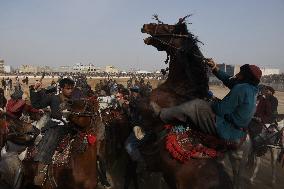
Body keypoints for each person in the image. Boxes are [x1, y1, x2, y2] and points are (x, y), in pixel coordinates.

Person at [153, 59, 262, 143]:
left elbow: (220, 110)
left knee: (196, 105)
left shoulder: (241, 88)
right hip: (240, 131)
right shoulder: (251, 89)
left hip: (227, 129)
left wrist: (211, 102)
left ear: (246, 77)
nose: (237, 75)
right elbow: (228, 79)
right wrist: (215, 68)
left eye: (240, 73)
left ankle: (161, 114)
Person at [30, 78, 75, 185]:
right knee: (50, 140)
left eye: (72, 88)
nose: (70, 91)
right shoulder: (53, 98)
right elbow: (36, 105)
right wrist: (35, 91)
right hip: (55, 127)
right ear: (61, 88)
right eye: (68, 88)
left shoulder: (74, 100)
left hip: (70, 127)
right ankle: (41, 171)